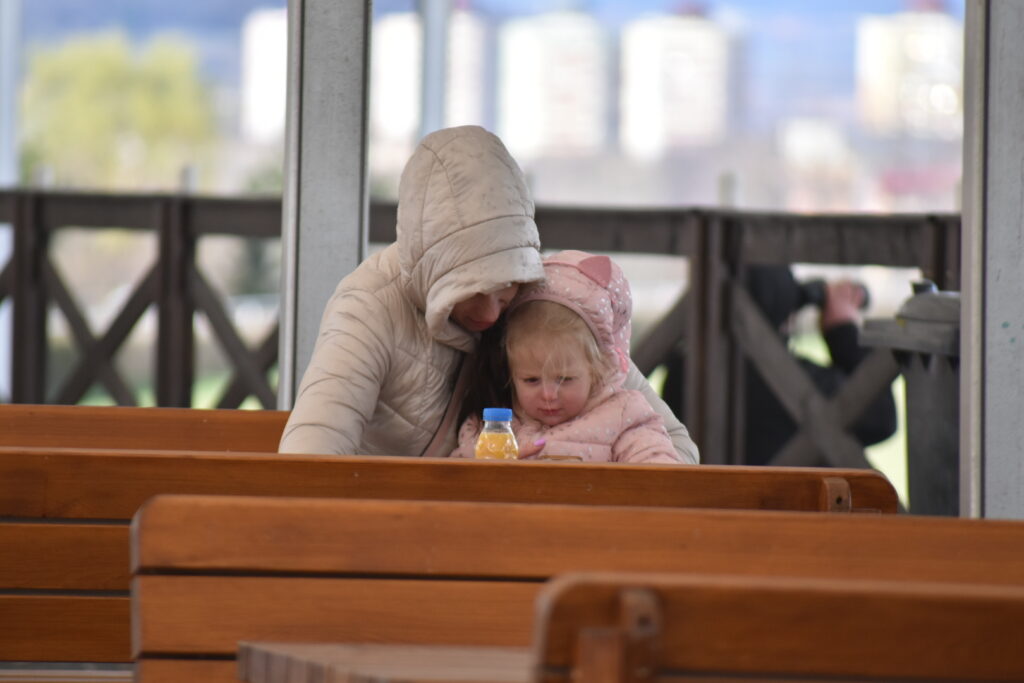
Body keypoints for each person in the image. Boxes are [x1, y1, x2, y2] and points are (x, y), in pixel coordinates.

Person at [279, 125, 698, 461]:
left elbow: (676, 445)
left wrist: (583, 481)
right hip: (394, 517)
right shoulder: (368, 308)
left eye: (506, 288)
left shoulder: (542, 298)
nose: (492, 314)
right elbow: (310, 454)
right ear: (433, 268)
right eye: (471, 290)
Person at [451, 250, 694, 464]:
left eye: (565, 379)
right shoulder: (493, 428)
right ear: (511, 374)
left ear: (597, 369)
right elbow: (456, 479)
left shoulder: (622, 415)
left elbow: (657, 465)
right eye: (531, 380)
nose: (548, 395)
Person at [662, 264, 896, 465]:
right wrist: (843, 329)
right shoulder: (795, 382)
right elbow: (882, 417)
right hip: (790, 506)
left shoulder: (681, 375)